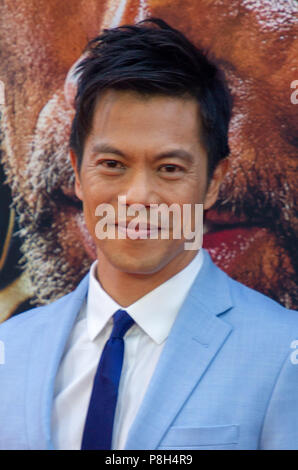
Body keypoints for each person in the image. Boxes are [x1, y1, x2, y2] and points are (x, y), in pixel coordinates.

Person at [0, 18, 297, 451]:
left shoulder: (283, 351)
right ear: (78, 173)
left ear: (214, 181)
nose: (138, 197)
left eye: (170, 169)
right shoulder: (10, 348)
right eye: (112, 165)